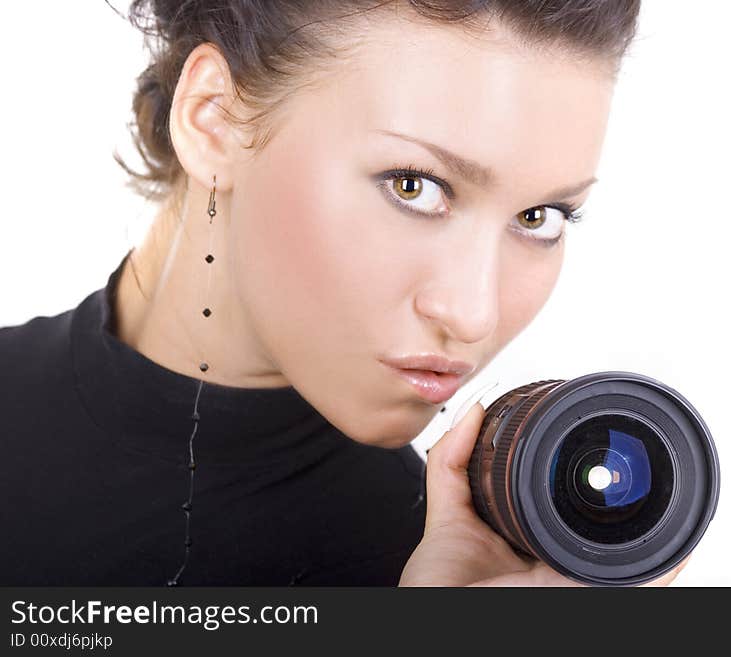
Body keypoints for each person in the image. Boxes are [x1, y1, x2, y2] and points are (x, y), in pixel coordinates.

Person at [0, 0, 686, 586]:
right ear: (213, 120)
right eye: (413, 185)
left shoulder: (447, 572)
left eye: (540, 218)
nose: (473, 313)